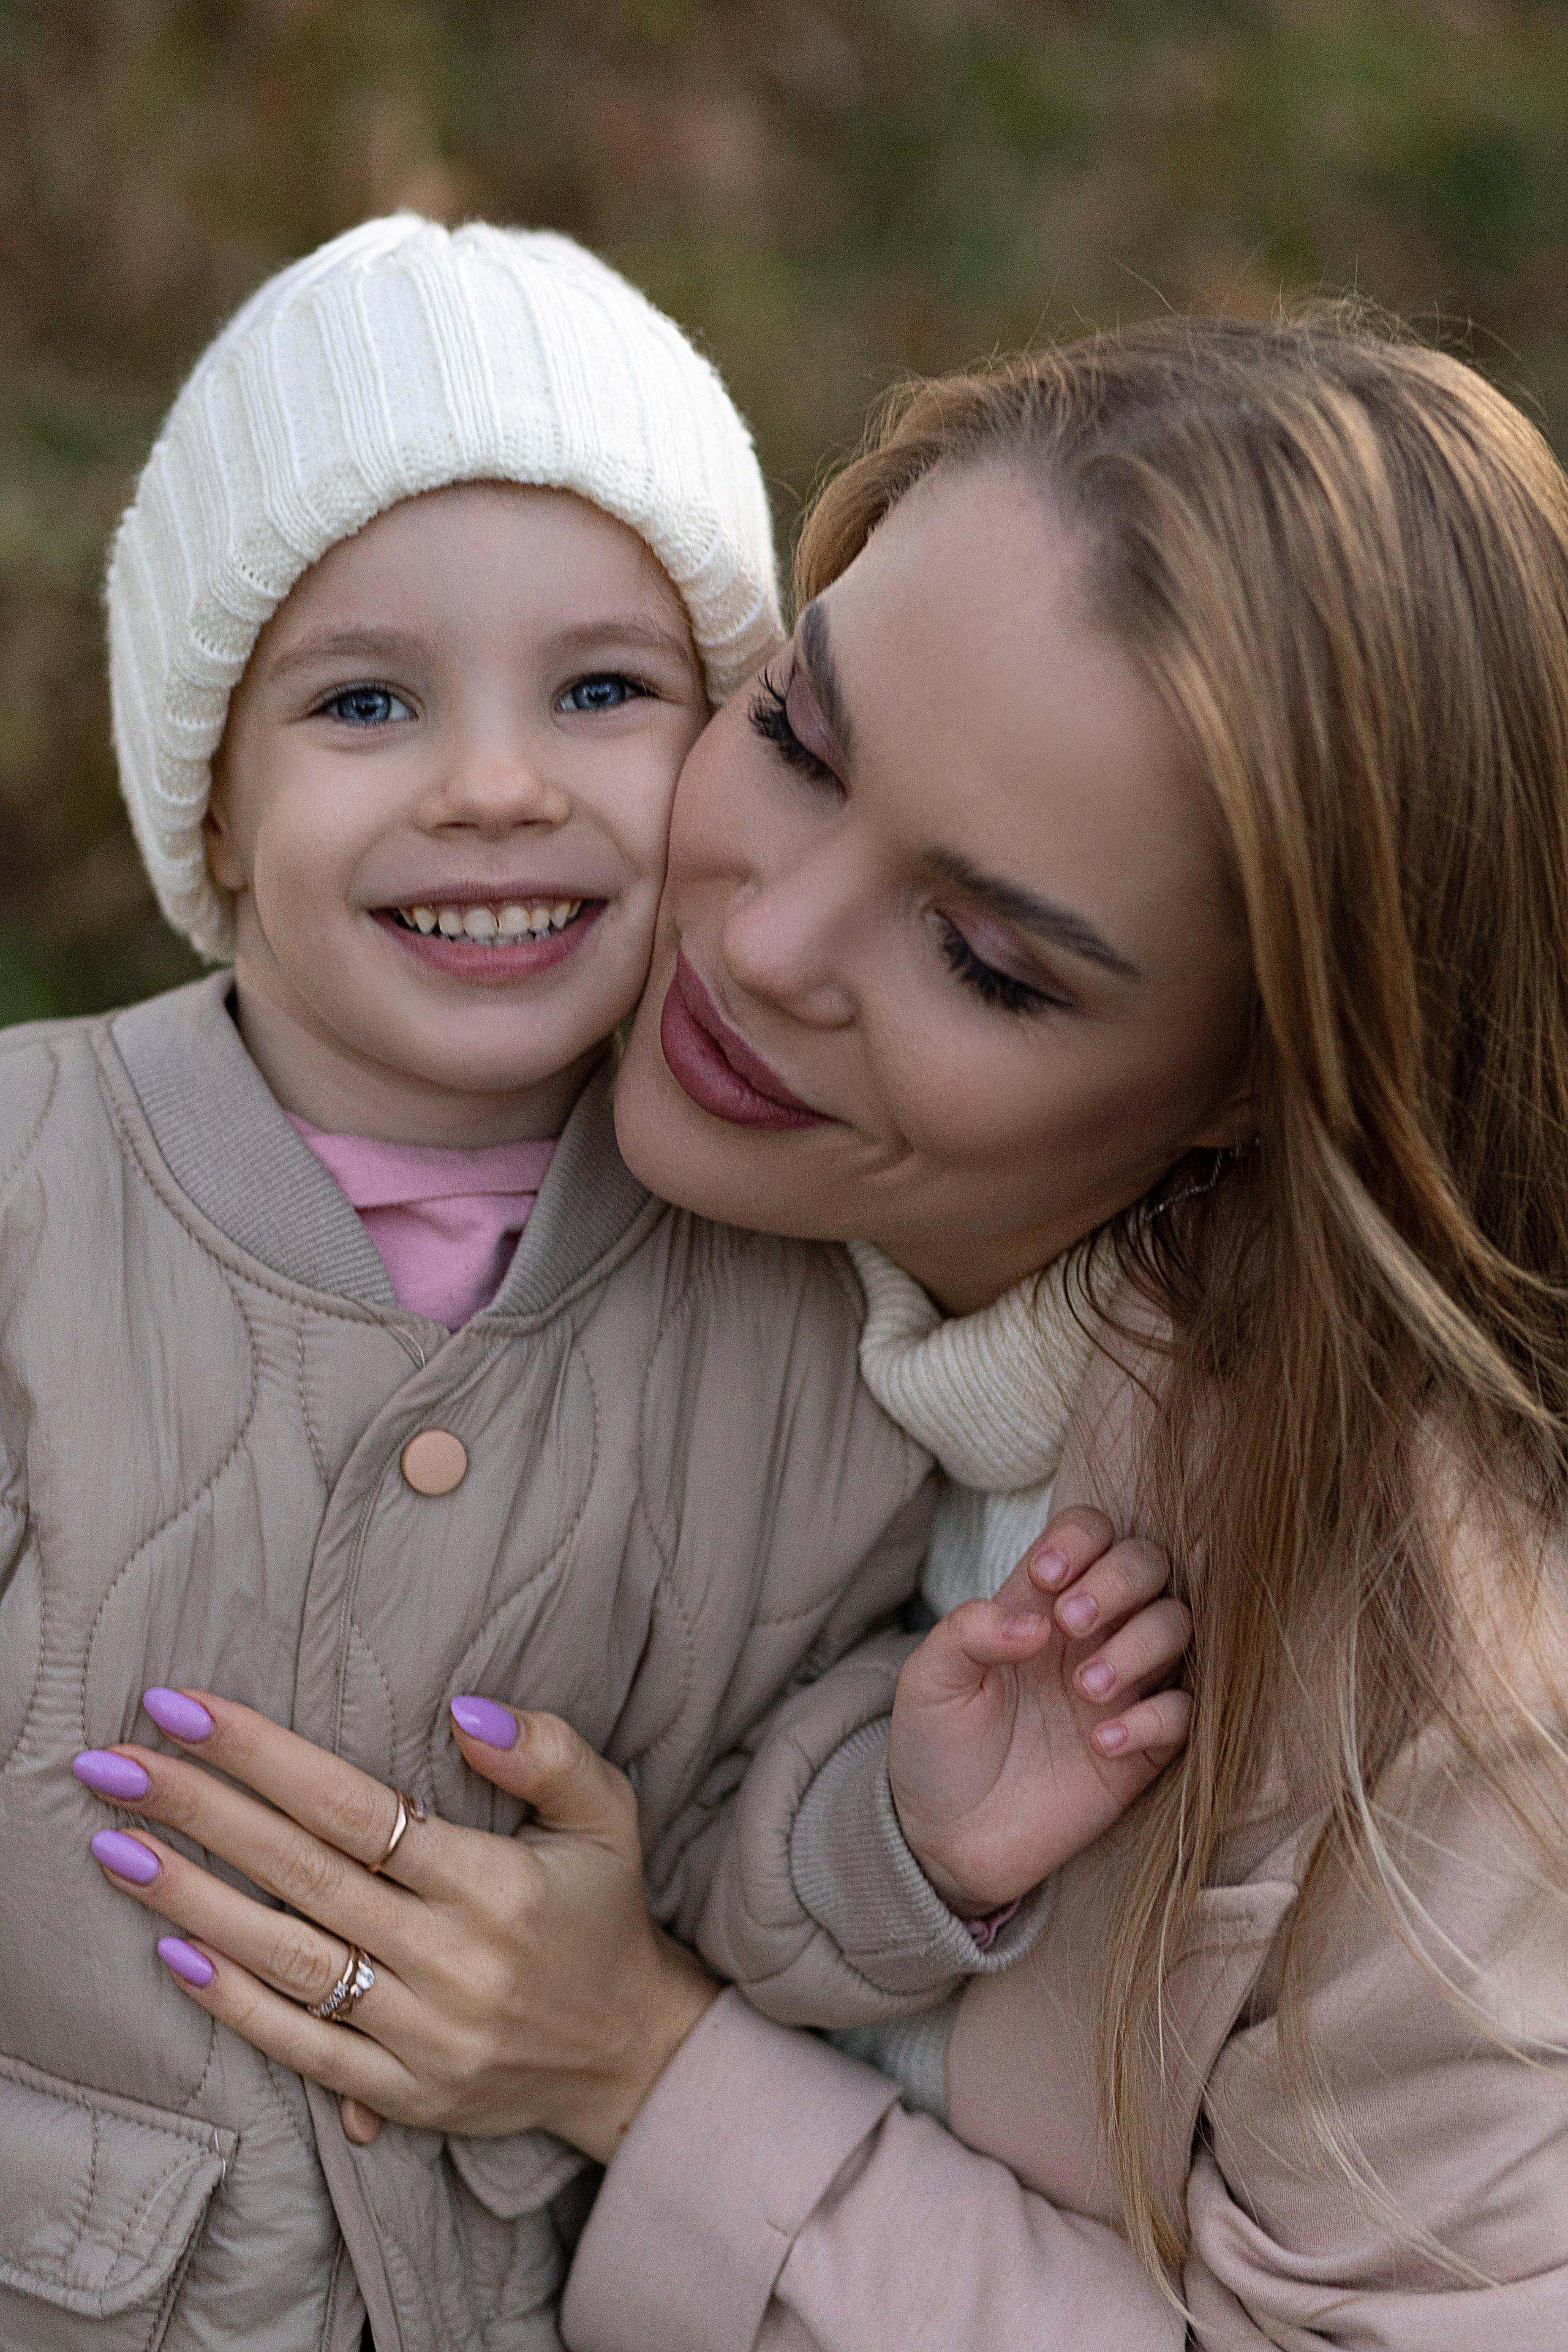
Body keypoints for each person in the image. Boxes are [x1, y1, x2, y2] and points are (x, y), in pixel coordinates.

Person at [84, 311, 1568, 2348]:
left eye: (979, 956)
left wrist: (635, 2064)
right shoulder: (537, 1125)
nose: (758, 940)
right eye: (793, 735)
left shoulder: (1453, 1694)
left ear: (1262, 1080)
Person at [2, 215, 1190, 2351]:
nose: (492, 783)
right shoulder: (30, 1190)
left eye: (605, 691)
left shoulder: (801, 1309)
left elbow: (724, 1865)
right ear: (218, 788)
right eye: (365, 701)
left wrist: (897, 1827)